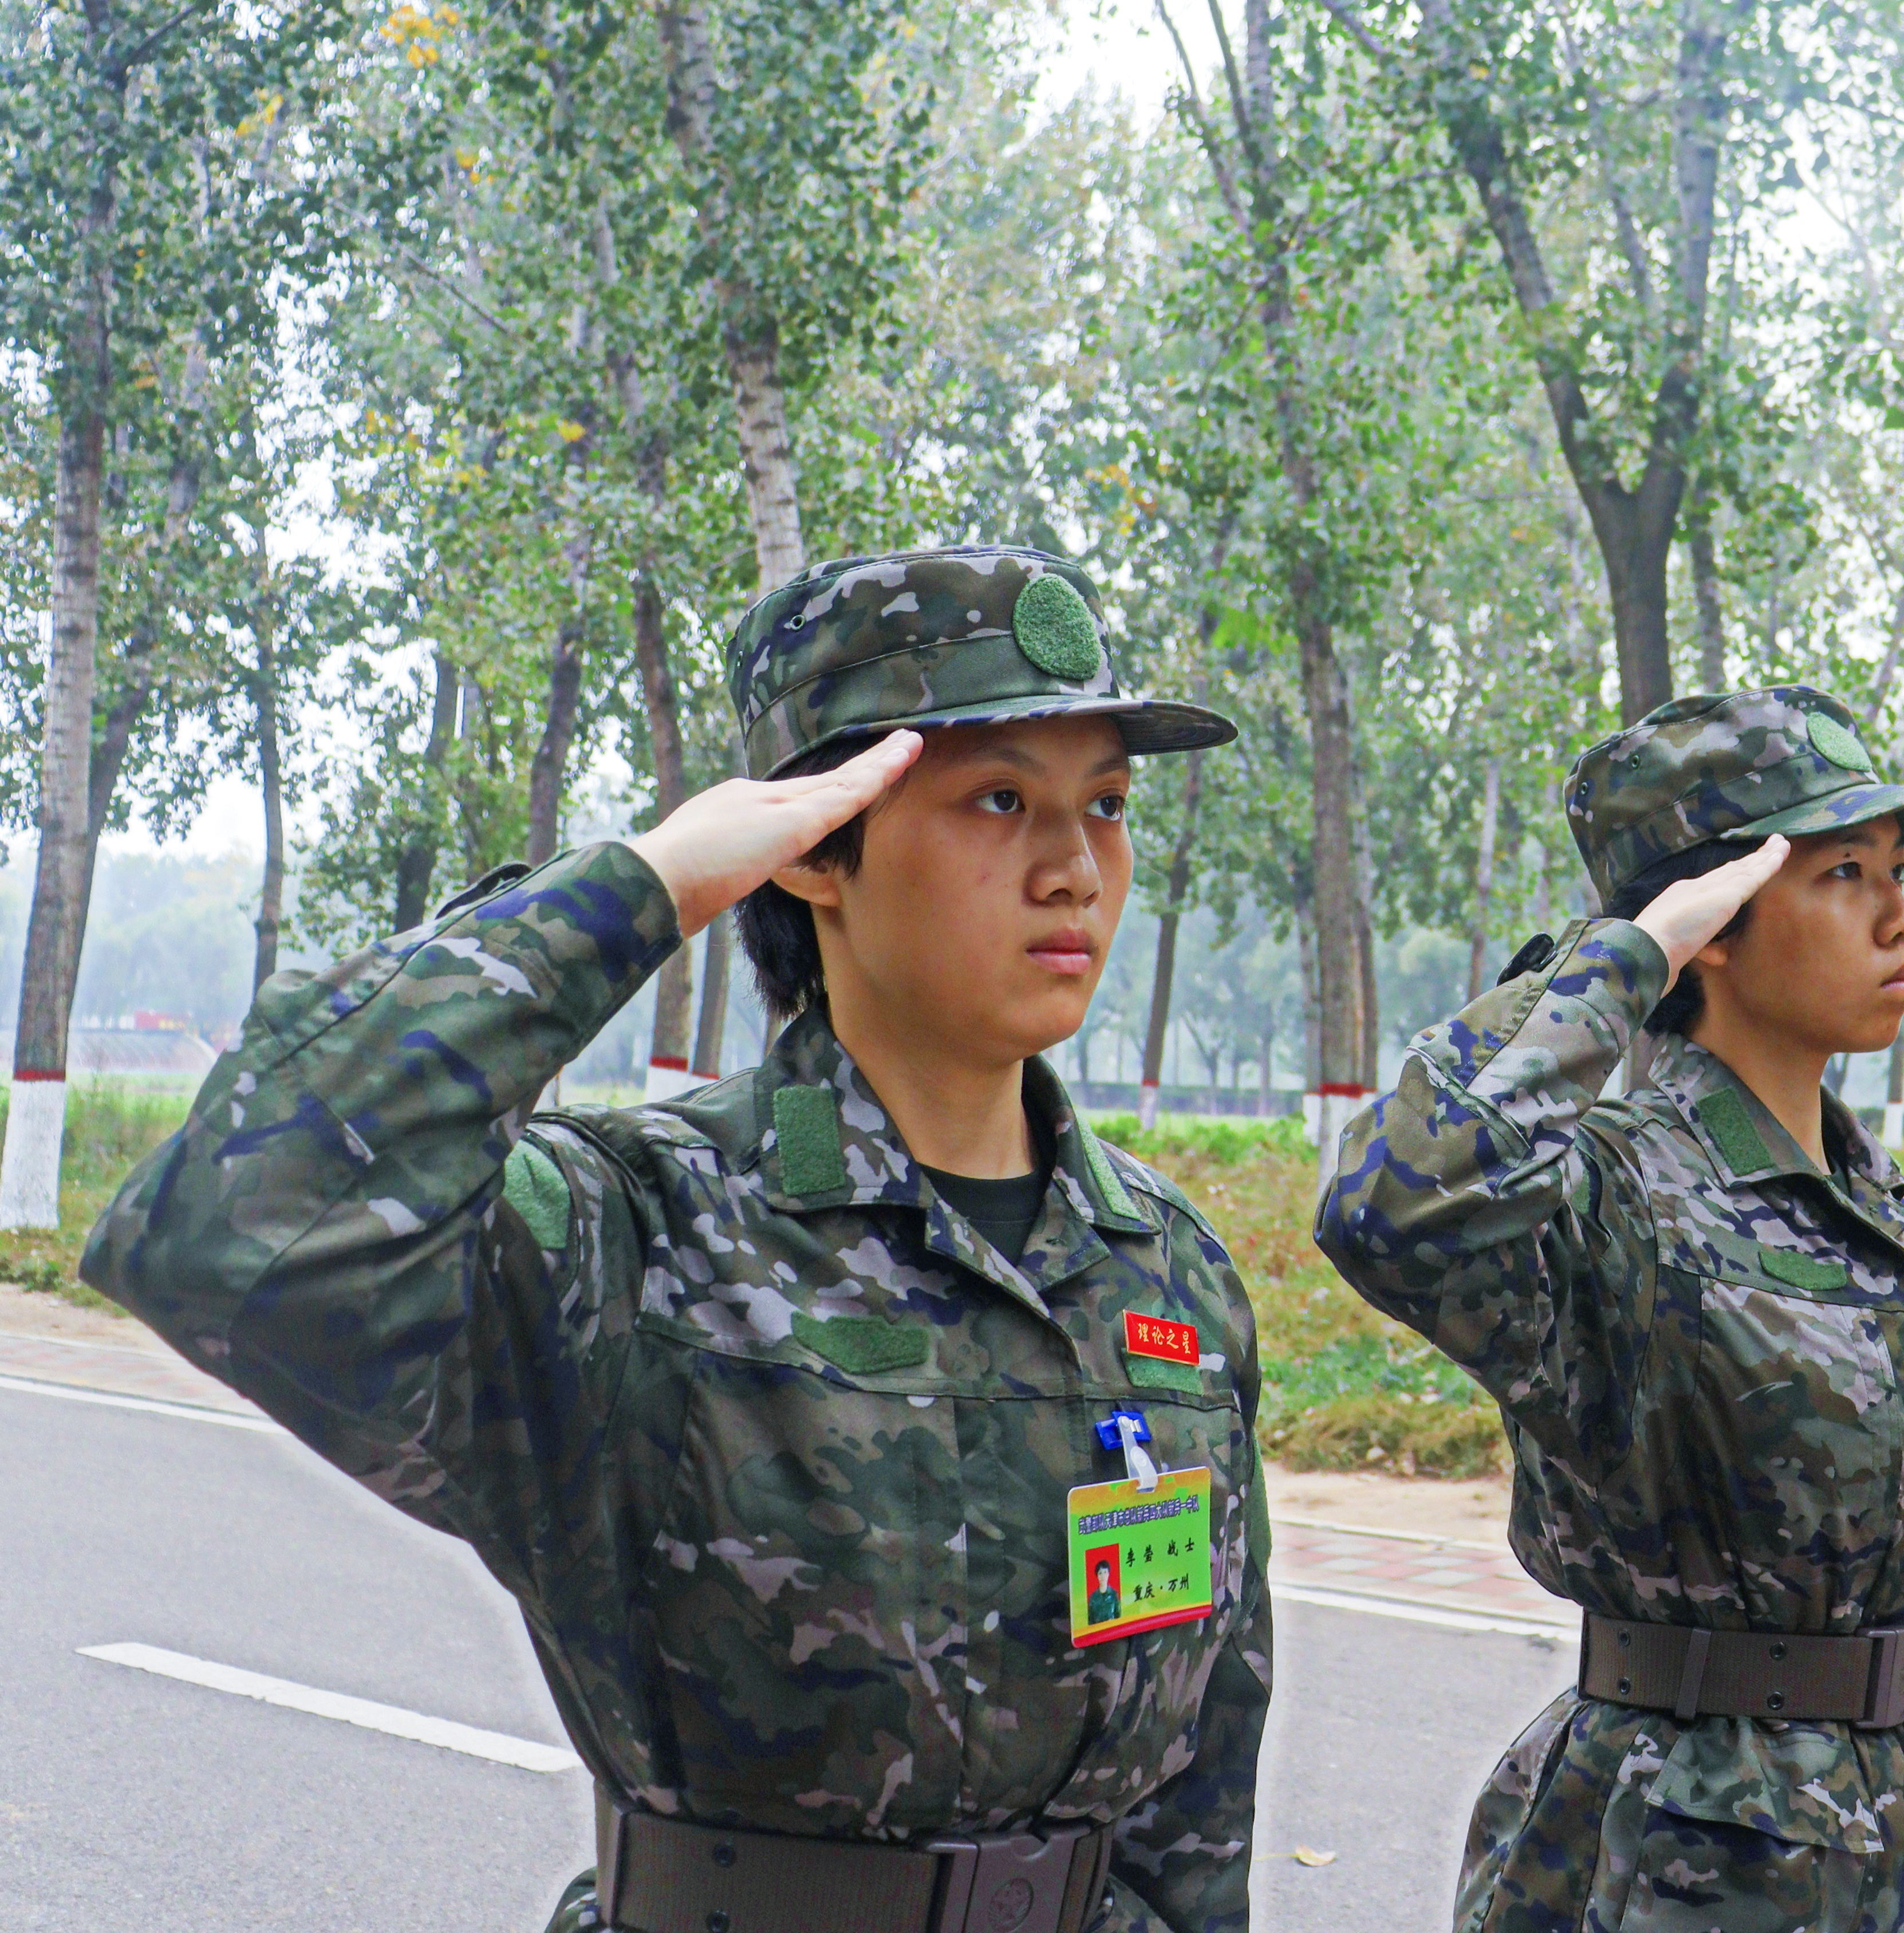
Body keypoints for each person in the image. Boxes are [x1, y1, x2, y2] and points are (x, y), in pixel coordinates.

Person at [80, 545, 1271, 1933]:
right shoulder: (640, 1230)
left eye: (1108, 805)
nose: (1076, 867)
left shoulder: (1163, 1266)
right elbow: (240, 1220)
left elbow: (1202, 1791)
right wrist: (650, 883)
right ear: (818, 846)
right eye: (1001, 798)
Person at [1314, 687, 1904, 1933]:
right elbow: (1386, 1206)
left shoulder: (1871, 1195)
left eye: (1898, 869)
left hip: (1891, 1812)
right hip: (1683, 1840)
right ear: (1719, 921)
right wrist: (1624, 955)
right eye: (1845, 873)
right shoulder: (1608, 1184)